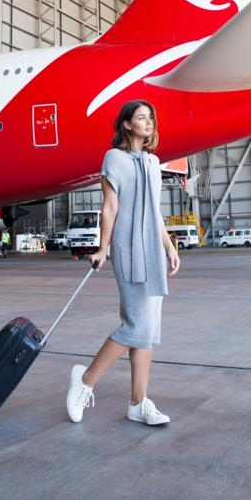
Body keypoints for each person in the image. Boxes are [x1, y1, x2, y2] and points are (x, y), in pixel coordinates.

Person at [66, 100, 180, 426]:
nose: (149, 122)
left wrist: (169, 246)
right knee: (136, 326)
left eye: (151, 118)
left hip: (153, 252)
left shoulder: (155, 162)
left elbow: (155, 211)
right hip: (128, 248)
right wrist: (103, 248)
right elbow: (110, 206)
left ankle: (138, 402)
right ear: (127, 125)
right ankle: (85, 380)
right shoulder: (113, 158)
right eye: (141, 118)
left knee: (149, 330)